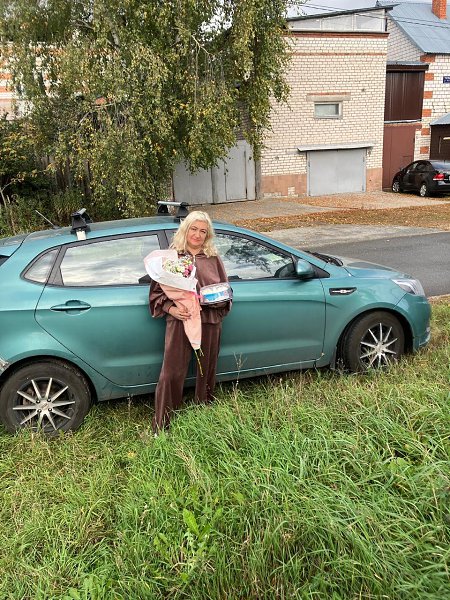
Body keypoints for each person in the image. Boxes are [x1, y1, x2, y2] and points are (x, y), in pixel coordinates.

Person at [149, 211, 231, 433]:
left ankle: (203, 415)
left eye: (203, 231)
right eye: (194, 229)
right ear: (185, 230)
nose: (197, 234)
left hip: (209, 319)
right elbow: (156, 294)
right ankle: (162, 425)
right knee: (171, 372)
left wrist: (217, 300)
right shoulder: (171, 258)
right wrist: (171, 309)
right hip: (181, 320)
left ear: (208, 235)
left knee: (207, 370)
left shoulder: (213, 258)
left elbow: (226, 289)